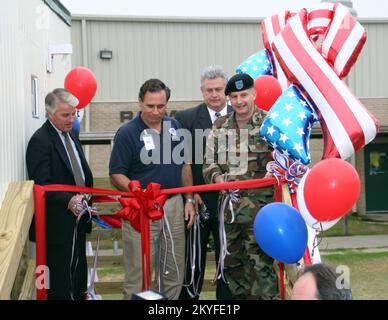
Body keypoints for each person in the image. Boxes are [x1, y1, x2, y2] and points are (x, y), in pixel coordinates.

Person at [109, 78, 195, 300]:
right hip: (141, 209)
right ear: (139, 103)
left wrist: (189, 200)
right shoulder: (127, 133)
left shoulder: (175, 127)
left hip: (174, 205)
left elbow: (185, 165)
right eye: (150, 106)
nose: (156, 111)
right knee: (139, 273)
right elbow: (116, 173)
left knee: (174, 270)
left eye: (161, 106)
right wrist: (135, 189)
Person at [203, 73, 279, 300]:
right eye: (234, 96)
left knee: (262, 268)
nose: (239, 101)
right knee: (233, 269)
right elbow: (209, 163)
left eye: (244, 95)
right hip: (231, 216)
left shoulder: (270, 124)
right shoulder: (220, 126)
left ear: (254, 93)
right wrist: (217, 179)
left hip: (261, 213)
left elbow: (283, 161)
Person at [26, 88, 94, 300]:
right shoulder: (40, 141)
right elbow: (41, 185)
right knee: (59, 285)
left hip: (79, 221)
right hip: (56, 227)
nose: (71, 119)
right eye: (66, 115)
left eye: (74, 113)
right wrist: (69, 200)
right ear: (50, 114)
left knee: (78, 278)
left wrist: (87, 198)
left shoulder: (72, 133)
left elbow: (79, 173)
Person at [175, 65, 232, 299]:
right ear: (202, 91)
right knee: (192, 261)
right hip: (198, 201)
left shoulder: (240, 116)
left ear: (226, 90)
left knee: (228, 261)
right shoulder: (185, 119)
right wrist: (189, 194)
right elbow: (181, 163)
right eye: (209, 90)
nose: (214, 94)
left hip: (232, 202)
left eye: (219, 89)